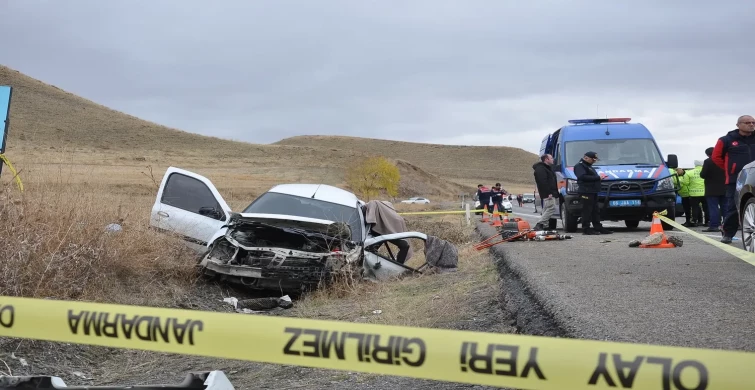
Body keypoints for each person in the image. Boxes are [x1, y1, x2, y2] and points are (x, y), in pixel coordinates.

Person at [712, 115, 755, 244]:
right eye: (747, 122)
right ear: (738, 125)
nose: (751, 125)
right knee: (732, 208)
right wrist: (731, 170)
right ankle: (728, 233)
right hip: (736, 179)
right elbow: (716, 157)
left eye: (753, 122)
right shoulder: (726, 140)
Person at [573, 151, 612, 235]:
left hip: (592, 191)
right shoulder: (579, 166)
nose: (594, 161)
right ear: (586, 157)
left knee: (595, 210)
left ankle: (598, 227)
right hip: (586, 192)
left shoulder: (588, 166)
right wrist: (598, 177)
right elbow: (582, 177)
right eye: (593, 159)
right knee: (587, 211)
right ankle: (586, 229)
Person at [700, 146, 726, 232]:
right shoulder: (725, 159)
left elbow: (703, 174)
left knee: (713, 208)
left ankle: (714, 225)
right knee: (725, 207)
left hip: (711, 189)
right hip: (724, 187)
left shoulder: (708, 161)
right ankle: (727, 225)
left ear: (707, 154)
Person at [533, 154, 559, 230]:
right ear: (546, 159)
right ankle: (540, 224)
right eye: (551, 158)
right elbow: (542, 182)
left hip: (550, 192)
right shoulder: (541, 169)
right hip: (548, 193)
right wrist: (548, 193)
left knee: (546, 208)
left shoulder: (547, 168)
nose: (553, 159)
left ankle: (545, 225)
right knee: (551, 208)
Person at [683, 160, 706, 227]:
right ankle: (708, 221)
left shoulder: (689, 172)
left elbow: (686, 183)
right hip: (705, 193)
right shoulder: (706, 171)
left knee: (694, 208)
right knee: (706, 208)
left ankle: (694, 221)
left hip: (694, 194)